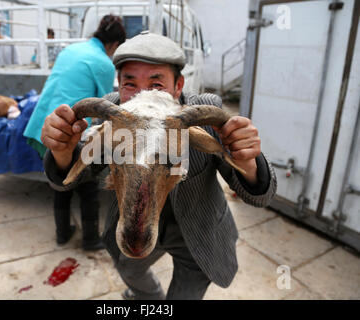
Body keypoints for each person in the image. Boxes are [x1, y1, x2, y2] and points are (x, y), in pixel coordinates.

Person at [40, 32, 278, 299]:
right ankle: (149, 298)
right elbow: (72, 177)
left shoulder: (205, 112)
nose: (142, 95)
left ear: (178, 86)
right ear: (119, 85)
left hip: (197, 233)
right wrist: (63, 150)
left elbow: (259, 195)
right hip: (132, 224)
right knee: (129, 271)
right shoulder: (114, 112)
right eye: (130, 84)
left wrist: (246, 158)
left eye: (156, 84)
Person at [24, 15, 126, 251]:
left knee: (58, 181)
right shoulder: (103, 62)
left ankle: (62, 233)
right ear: (115, 44)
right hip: (69, 131)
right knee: (87, 186)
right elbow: (103, 105)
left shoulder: (72, 49)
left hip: (46, 123)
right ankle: (90, 239)